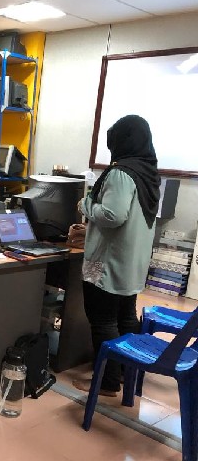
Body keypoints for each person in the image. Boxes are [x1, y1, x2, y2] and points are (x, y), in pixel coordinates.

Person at [72, 115, 160, 397]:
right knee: (125, 317)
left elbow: (113, 214)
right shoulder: (148, 173)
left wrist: (85, 205)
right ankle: (124, 373)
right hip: (131, 263)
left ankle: (107, 382)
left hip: (107, 263)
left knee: (102, 320)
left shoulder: (121, 173)